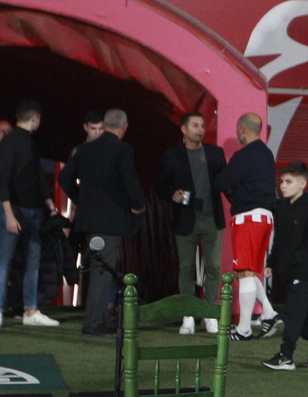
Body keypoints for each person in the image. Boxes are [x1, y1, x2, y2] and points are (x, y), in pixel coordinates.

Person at [59, 108, 145, 336]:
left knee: (101, 268)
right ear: (124, 127)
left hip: (89, 220)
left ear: (105, 125)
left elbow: (64, 178)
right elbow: (129, 178)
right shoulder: (122, 149)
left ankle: (100, 318)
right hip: (110, 221)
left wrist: (80, 200)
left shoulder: (85, 150)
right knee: (102, 271)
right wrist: (138, 204)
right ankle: (94, 323)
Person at [155, 111, 228, 335]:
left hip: (212, 218)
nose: (200, 129)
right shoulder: (172, 156)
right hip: (186, 218)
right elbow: (159, 186)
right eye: (195, 125)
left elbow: (225, 181)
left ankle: (209, 313)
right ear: (184, 129)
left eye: (202, 125)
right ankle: (188, 315)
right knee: (186, 268)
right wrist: (172, 194)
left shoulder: (216, 154)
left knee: (214, 267)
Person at [215, 113, 279, 341]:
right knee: (249, 271)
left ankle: (243, 329)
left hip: (248, 218)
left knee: (244, 272)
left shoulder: (243, 156)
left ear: (242, 129)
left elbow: (222, 182)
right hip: (265, 217)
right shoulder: (267, 154)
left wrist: (234, 194)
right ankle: (269, 313)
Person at [260, 163, 308, 372]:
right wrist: (271, 263)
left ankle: (286, 356)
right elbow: (278, 239)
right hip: (288, 271)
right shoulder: (282, 207)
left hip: (303, 270)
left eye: (288, 182)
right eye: (281, 181)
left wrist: (296, 259)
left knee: (293, 313)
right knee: (304, 313)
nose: (282, 186)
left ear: (302, 184)